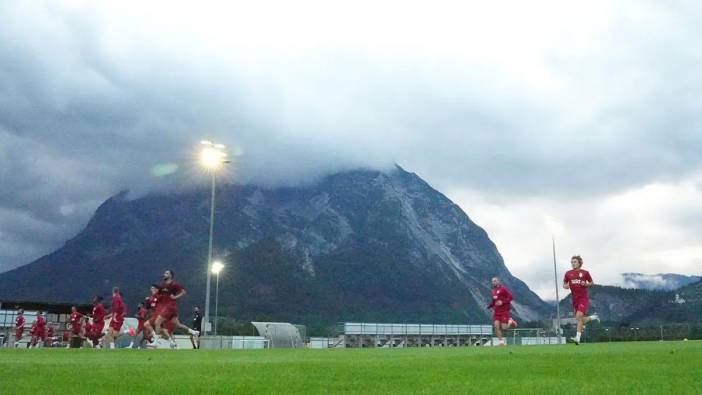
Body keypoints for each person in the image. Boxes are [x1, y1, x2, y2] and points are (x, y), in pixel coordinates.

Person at [154, 270, 199, 349]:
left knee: (157, 322)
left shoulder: (175, 284)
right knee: (178, 324)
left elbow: (183, 291)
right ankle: (193, 332)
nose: (164, 274)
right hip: (169, 307)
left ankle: (155, 342)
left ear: (171, 275)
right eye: (164, 273)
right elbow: (159, 293)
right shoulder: (163, 285)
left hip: (170, 306)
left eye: (166, 273)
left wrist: (175, 297)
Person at [563, 255, 600, 345]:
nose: (573, 263)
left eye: (575, 262)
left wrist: (586, 284)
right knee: (579, 319)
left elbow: (592, 283)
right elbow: (564, 284)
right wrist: (566, 286)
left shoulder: (585, 273)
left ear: (579, 263)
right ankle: (593, 317)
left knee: (579, 316)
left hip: (583, 298)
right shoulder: (568, 273)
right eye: (572, 262)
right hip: (574, 299)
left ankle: (577, 338)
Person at [487, 277, 518, 346]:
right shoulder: (493, 291)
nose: (493, 282)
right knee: (496, 326)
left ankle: (510, 321)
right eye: (492, 281)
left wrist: (502, 302)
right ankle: (501, 342)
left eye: (495, 281)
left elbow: (511, 297)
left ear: (498, 281)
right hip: (497, 312)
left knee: (504, 328)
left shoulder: (503, 289)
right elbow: (494, 301)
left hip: (504, 311)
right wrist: (489, 306)